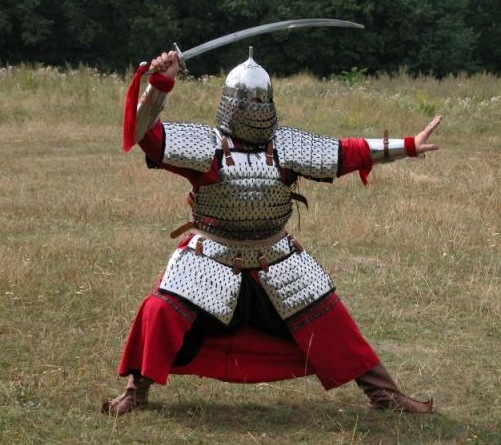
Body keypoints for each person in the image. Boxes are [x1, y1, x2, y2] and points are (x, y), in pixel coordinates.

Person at [102, 48, 442, 416]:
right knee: (160, 311)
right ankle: (136, 391)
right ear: (231, 104)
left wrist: (409, 146)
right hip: (211, 253)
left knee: (331, 319)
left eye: (262, 101)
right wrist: (160, 84)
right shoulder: (207, 147)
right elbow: (144, 134)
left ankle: (384, 395)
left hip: (276, 255)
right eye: (249, 102)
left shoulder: (286, 147)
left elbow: (346, 153)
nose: (256, 109)